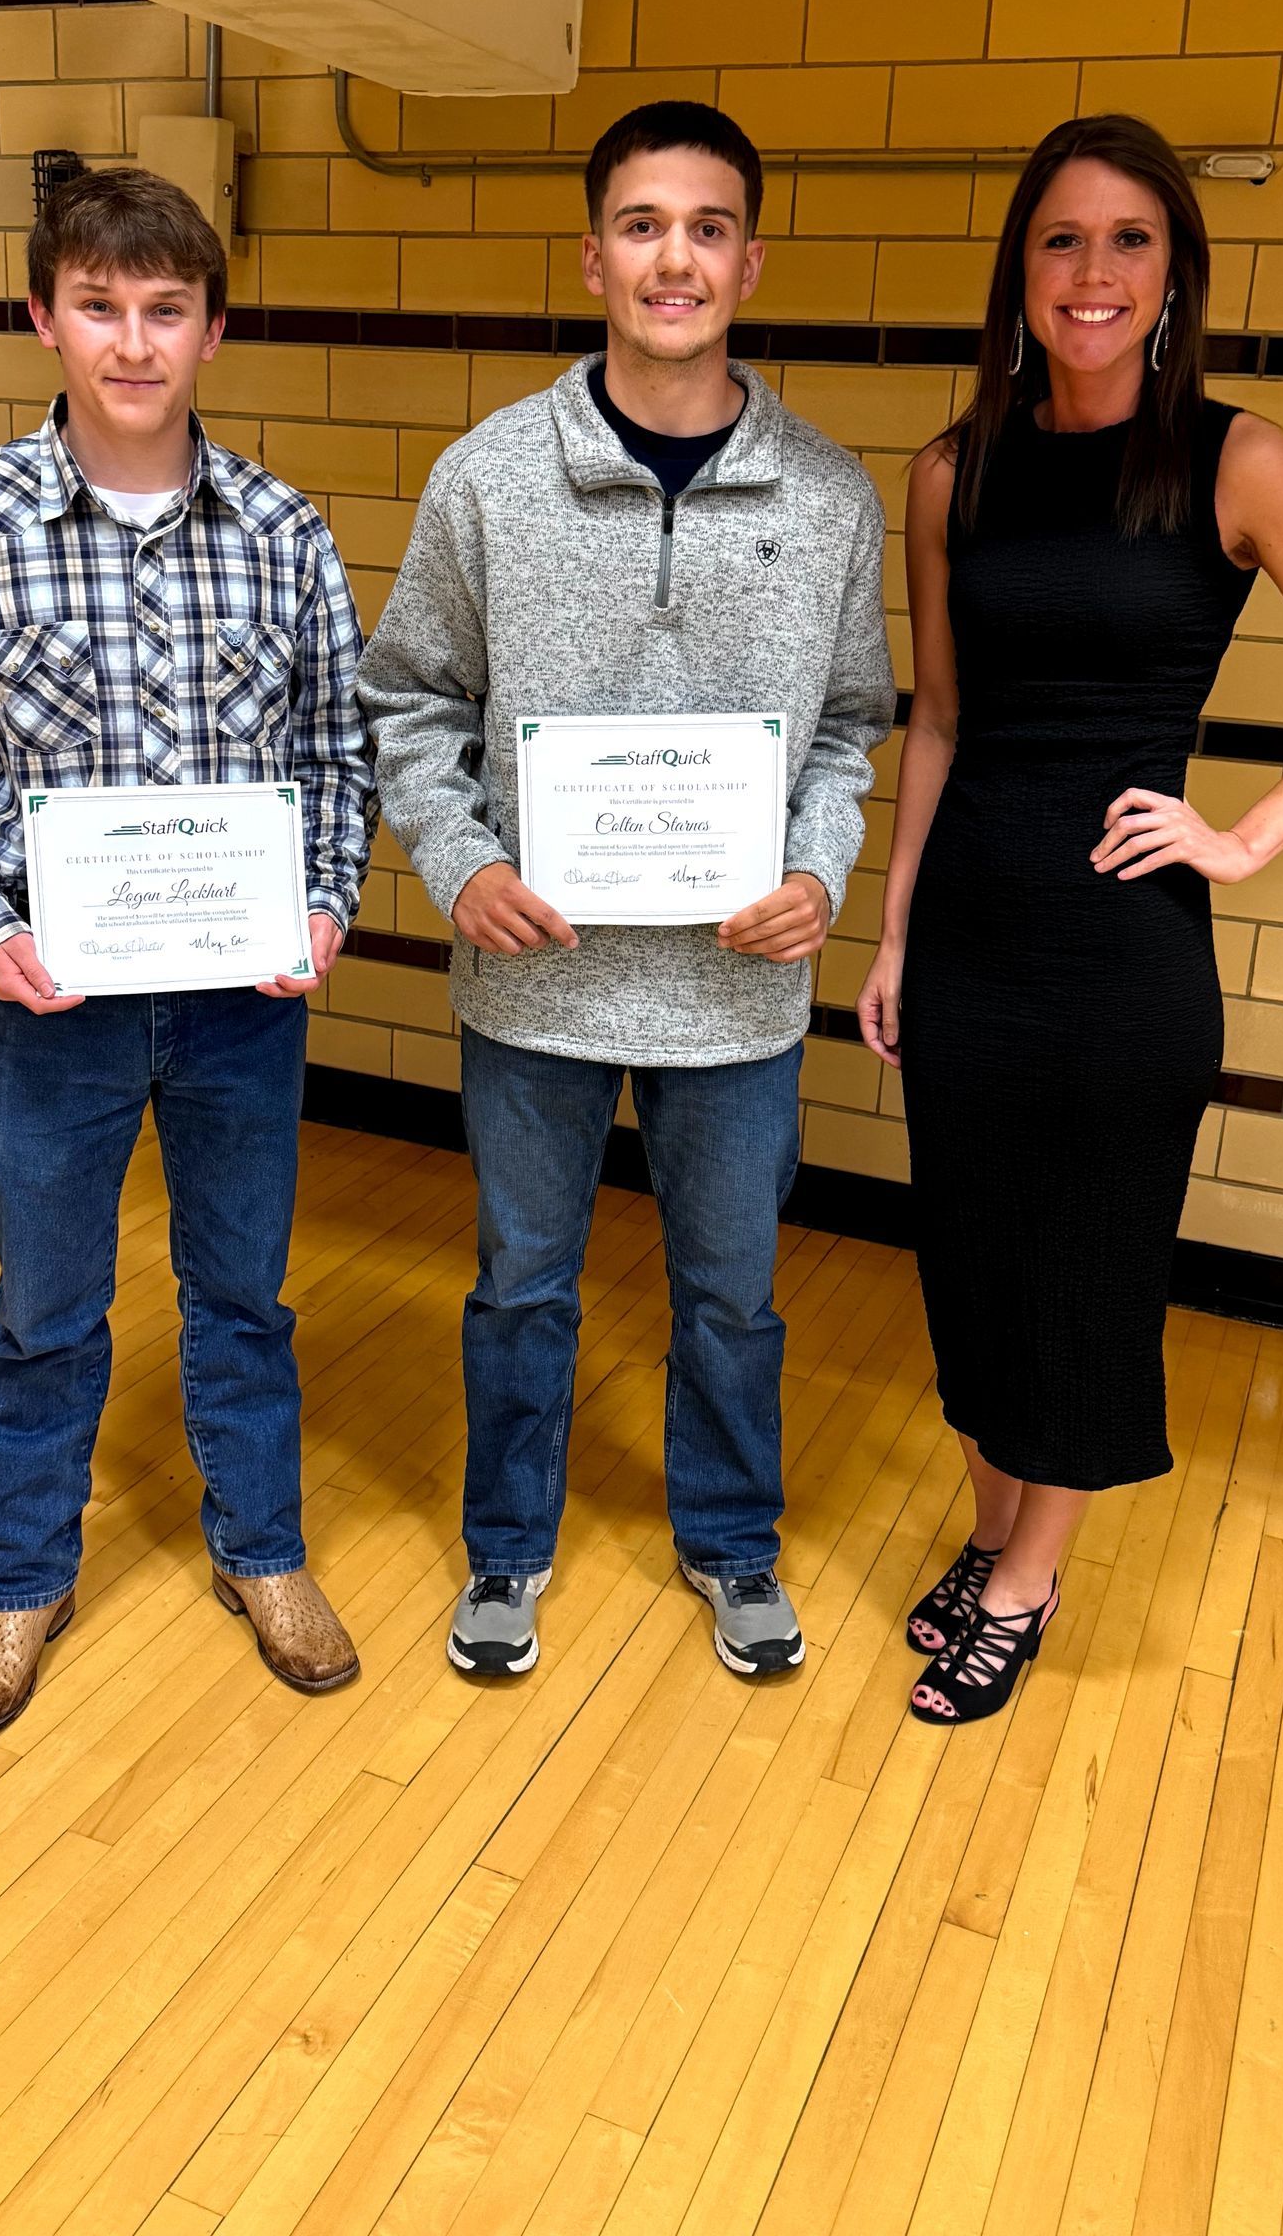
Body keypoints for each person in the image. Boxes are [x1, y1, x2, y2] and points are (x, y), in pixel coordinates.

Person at [857, 114, 1283, 1726]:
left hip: (1124, 957)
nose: (1092, 274)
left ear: (1174, 273)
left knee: (1087, 1272)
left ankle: (1029, 1582)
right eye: (1062, 240)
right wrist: (894, 938)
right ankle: (991, 1536)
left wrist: (1241, 836)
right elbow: (944, 723)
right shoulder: (952, 471)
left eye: (1129, 242)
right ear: (1020, 270)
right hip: (970, 935)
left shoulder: (1231, 459)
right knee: (970, 1270)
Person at [358, 100, 894, 1681]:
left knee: (732, 1296)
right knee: (522, 1285)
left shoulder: (829, 495)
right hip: (537, 978)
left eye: (710, 227)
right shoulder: (490, 478)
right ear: (593, 254)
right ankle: (507, 1550)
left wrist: (818, 870)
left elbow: (854, 723)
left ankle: (731, 1542)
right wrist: (460, 866)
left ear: (751, 258)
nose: (677, 257)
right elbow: (407, 697)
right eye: (646, 225)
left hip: (736, 992)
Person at [0, 167, 374, 1741]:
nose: (132, 342)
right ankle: (18, 1580)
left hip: (241, 1005)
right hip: (54, 1006)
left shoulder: (285, 532)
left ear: (216, 328)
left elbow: (341, 753)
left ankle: (263, 1554)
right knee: (44, 1302)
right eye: (100, 307)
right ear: (45, 318)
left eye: (165, 312)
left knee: (243, 1294)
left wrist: (328, 901)